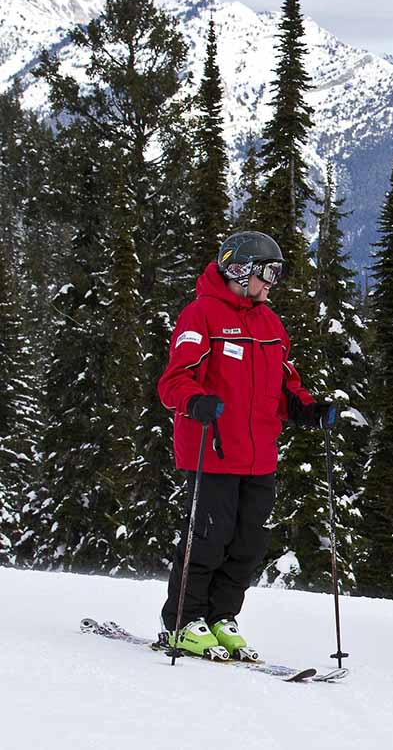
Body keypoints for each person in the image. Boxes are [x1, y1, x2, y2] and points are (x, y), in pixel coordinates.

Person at [156, 231, 335, 660]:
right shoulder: (201, 316)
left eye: (278, 272)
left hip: (258, 456)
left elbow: (285, 386)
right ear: (240, 270)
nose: (273, 281)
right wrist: (195, 400)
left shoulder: (270, 323)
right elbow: (173, 381)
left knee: (248, 543)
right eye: (267, 272)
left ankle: (220, 616)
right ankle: (182, 621)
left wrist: (309, 410)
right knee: (207, 538)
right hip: (212, 450)